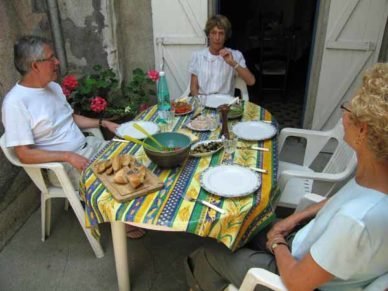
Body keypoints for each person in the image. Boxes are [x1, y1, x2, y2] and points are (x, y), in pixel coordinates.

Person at [185, 63, 388, 290]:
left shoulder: (356, 221)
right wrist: (293, 219)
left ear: (364, 131)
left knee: (207, 251)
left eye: (349, 108)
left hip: (295, 271)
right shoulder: (376, 179)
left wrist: (277, 244)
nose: (344, 113)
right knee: (247, 220)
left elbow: (297, 282)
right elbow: (339, 201)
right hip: (304, 244)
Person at [1, 35, 145, 239]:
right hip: (62, 166)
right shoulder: (16, 103)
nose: (57, 62)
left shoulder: (52, 87)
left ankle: (132, 210)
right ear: (35, 66)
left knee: (134, 155)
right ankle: (122, 220)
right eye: (51, 58)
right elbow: (24, 155)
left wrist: (104, 123)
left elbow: (70, 118)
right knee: (120, 177)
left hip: (88, 146)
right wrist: (68, 156)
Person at [189, 15, 255, 97]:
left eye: (221, 33)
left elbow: (251, 81)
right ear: (208, 35)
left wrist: (233, 63)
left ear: (226, 36)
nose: (217, 38)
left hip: (225, 106)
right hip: (204, 104)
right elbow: (193, 88)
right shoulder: (198, 56)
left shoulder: (235, 55)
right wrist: (199, 104)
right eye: (213, 33)